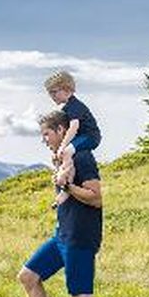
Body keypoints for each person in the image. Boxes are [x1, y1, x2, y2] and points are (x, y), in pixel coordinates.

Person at [17, 111, 103, 297]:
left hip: (80, 237)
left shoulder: (83, 157)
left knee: (81, 295)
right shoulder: (62, 158)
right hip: (62, 236)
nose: (44, 139)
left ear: (61, 130)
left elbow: (96, 198)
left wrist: (68, 187)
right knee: (28, 277)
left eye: (46, 134)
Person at [44, 70, 101, 208]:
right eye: (50, 93)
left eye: (54, 92)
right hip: (81, 137)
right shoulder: (67, 107)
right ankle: (64, 184)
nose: (52, 96)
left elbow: (74, 127)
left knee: (67, 152)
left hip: (90, 136)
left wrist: (63, 146)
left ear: (67, 89)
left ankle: (65, 186)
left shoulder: (74, 106)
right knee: (64, 156)